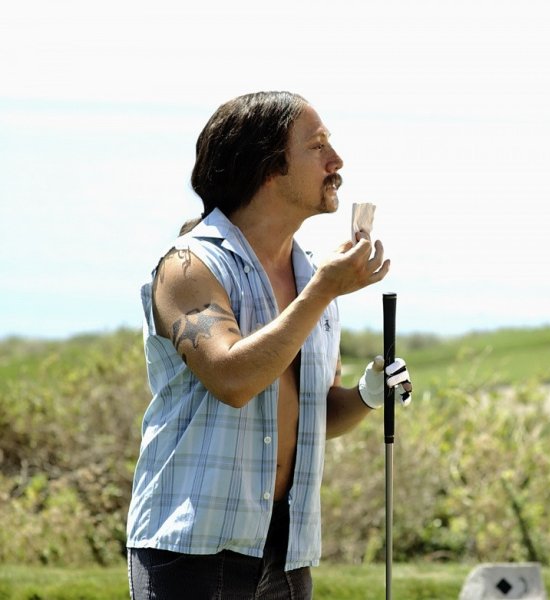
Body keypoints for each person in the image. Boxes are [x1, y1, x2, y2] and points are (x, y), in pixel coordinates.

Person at [126, 91, 412, 600]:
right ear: (268, 167)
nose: (336, 161)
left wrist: (368, 395)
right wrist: (322, 291)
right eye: (317, 146)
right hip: (192, 548)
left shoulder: (311, 274)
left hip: (285, 551)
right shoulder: (188, 267)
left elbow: (315, 416)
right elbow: (233, 379)